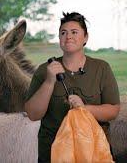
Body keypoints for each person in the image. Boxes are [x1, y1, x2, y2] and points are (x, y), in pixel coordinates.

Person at [24, 12, 120, 162]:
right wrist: (49, 82)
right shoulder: (45, 70)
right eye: (63, 32)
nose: (68, 36)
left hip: (94, 153)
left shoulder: (101, 68)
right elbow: (33, 114)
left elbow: (113, 110)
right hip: (53, 154)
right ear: (59, 38)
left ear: (85, 38)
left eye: (74, 32)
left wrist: (84, 109)